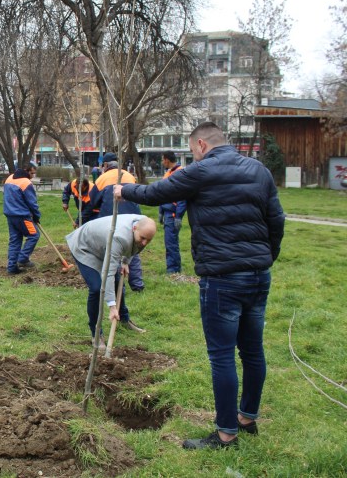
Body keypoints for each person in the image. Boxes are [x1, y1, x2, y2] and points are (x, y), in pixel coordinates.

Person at [114, 121, 285, 449]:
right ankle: (246, 419)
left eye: (193, 150)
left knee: (221, 355)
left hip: (222, 278)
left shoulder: (202, 170)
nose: (193, 155)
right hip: (258, 275)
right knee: (252, 350)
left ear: (202, 146)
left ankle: (225, 434)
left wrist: (124, 191)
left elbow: (157, 193)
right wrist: (266, 257)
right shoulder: (259, 171)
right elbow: (276, 220)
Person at [65, 214, 156, 351]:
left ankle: (124, 319)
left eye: (148, 240)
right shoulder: (120, 237)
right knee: (96, 288)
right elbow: (108, 273)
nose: (144, 242)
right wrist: (112, 306)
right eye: (142, 238)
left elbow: (136, 247)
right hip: (84, 246)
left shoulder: (144, 225)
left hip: (103, 244)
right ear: (134, 228)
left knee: (118, 280)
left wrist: (125, 262)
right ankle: (96, 333)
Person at [83, 152, 146, 297]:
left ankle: (118, 285)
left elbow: (92, 201)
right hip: (132, 218)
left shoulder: (102, 179)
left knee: (114, 251)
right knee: (133, 249)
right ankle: (137, 285)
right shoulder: (129, 176)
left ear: (105, 165)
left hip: (112, 219)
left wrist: (83, 219)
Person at [3, 161, 40, 274]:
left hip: (10, 215)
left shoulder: (9, 178)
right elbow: (32, 203)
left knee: (15, 240)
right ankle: (23, 259)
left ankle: (12, 268)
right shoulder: (26, 183)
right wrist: (36, 216)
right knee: (34, 235)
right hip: (22, 216)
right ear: (27, 170)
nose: (33, 176)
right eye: (32, 173)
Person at [158, 151, 186, 274]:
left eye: (162, 159)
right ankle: (172, 268)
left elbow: (182, 197)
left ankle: (173, 269)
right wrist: (161, 211)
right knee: (169, 242)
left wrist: (178, 216)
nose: (161, 162)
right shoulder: (168, 173)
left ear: (167, 160)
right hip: (167, 212)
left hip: (173, 214)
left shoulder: (179, 173)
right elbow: (163, 193)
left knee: (171, 242)